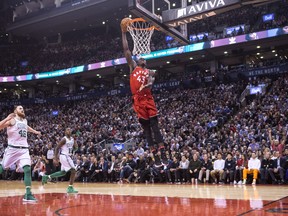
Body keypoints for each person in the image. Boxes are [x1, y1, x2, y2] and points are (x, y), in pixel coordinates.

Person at [121, 20, 164, 151]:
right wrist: (123, 33)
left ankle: (161, 147)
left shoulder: (148, 72)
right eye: (140, 57)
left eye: (144, 58)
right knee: (146, 127)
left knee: (154, 124)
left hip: (148, 97)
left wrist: (149, 82)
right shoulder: (133, 67)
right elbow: (126, 50)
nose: (142, 58)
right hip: (138, 99)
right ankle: (152, 148)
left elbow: (156, 76)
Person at [0, 106, 41, 202]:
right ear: (15, 111)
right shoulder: (12, 120)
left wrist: (35, 131)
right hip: (12, 149)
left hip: (24, 150)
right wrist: (6, 118)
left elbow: (27, 128)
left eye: (23, 108)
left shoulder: (25, 120)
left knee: (27, 169)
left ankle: (28, 194)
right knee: (2, 167)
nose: (22, 110)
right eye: (20, 109)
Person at [42, 128, 78, 193]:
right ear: (65, 132)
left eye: (70, 130)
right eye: (67, 130)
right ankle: (70, 187)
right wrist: (55, 158)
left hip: (68, 156)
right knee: (73, 170)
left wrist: (75, 145)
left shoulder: (72, 139)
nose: (69, 131)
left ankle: (47, 177)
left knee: (63, 172)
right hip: (64, 156)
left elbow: (76, 147)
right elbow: (57, 148)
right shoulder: (64, 139)